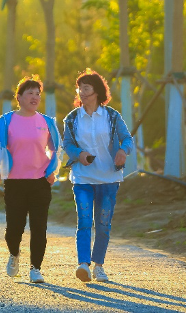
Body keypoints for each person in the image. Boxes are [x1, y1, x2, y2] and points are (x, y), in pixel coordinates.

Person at [61, 69, 134, 283]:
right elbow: (67, 144)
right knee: (84, 221)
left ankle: (98, 266)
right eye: (80, 89)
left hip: (109, 179)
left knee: (103, 224)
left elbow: (127, 138)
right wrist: (79, 154)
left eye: (86, 88)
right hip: (83, 178)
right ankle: (83, 264)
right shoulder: (73, 118)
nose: (82, 93)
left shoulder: (111, 116)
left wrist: (123, 151)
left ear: (97, 92)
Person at [0, 76, 61, 284]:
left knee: (39, 227)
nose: (35, 97)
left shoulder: (47, 122)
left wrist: (51, 169)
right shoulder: (6, 121)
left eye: (38, 94)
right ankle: (14, 254)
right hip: (14, 182)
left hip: (40, 182)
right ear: (19, 98)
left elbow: (56, 149)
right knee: (14, 228)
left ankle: (36, 268)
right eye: (30, 93)